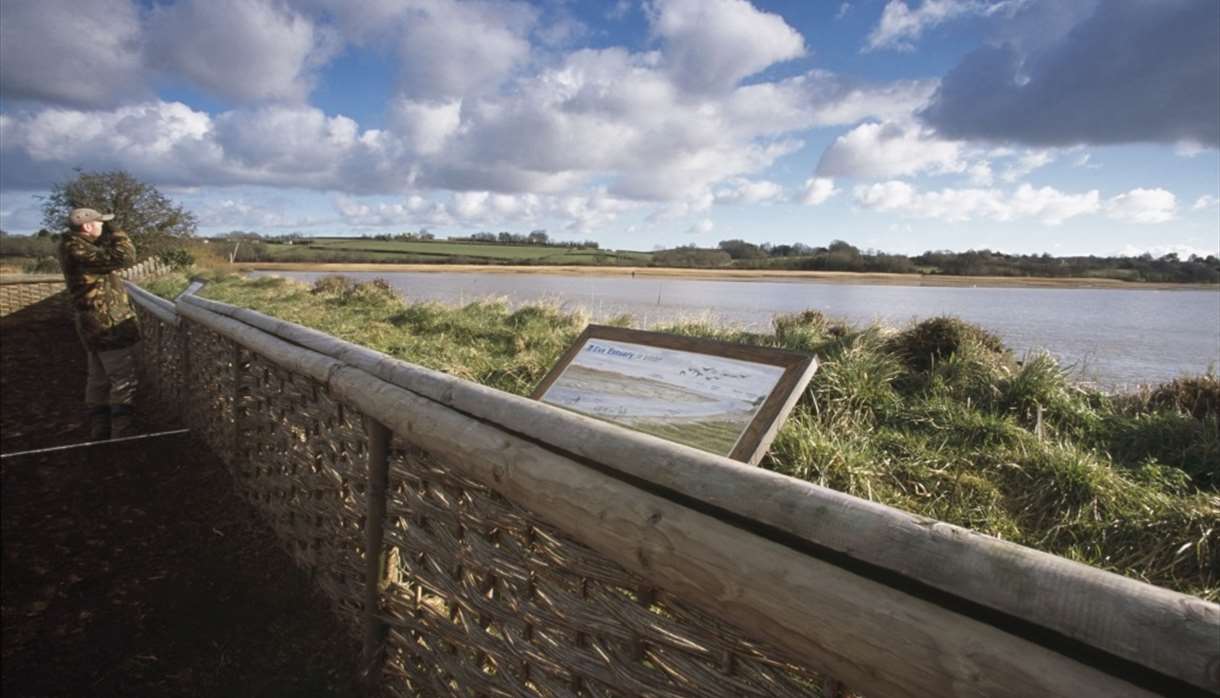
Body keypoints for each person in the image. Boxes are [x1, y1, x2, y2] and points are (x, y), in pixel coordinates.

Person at [57, 208, 141, 440]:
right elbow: (124, 256)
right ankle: (122, 432)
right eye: (99, 223)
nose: (103, 226)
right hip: (105, 323)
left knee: (99, 377)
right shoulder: (77, 249)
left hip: (93, 322)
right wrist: (119, 233)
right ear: (87, 227)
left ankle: (100, 429)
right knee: (122, 377)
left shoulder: (73, 246)